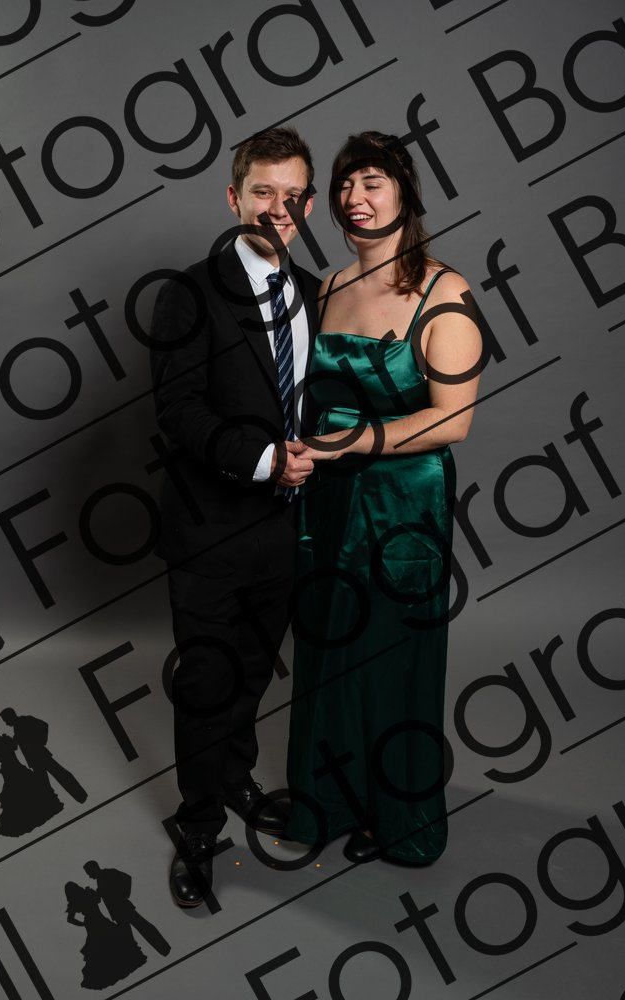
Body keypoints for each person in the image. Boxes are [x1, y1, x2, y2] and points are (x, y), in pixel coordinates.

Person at [286, 131, 482, 865]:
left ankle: (399, 819)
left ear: (405, 192)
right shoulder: (327, 287)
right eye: (344, 185)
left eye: (371, 182)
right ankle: (330, 802)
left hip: (404, 504)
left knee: (391, 655)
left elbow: (452, 420)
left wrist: (349, 442)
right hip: (327, 498)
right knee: (329, 647)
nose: (354, 198)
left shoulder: (444, 291)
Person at [150, 127, 320, 906]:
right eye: (263, 192)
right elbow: (179, 412)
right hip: (210, 529)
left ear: (307, 206)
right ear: (233, 198)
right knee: (208, 682)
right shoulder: (188, 293)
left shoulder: (317, 291)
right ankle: (196, 827)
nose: (278, 208)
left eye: (293, 196)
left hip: (285, 529)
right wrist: (264, 460)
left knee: (252, 672)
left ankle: (236, 780)